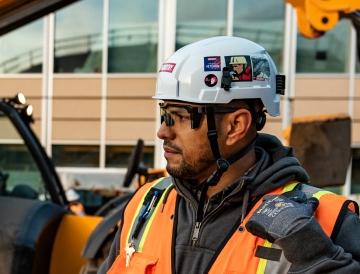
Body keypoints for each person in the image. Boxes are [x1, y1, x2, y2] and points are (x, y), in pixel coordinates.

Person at [99, 36, 360, 274]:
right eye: (164, 113)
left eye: (179, 116)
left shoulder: (326, 220)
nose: (162, 132)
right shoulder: (145, 204)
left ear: (235, 126)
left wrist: (316, 256)